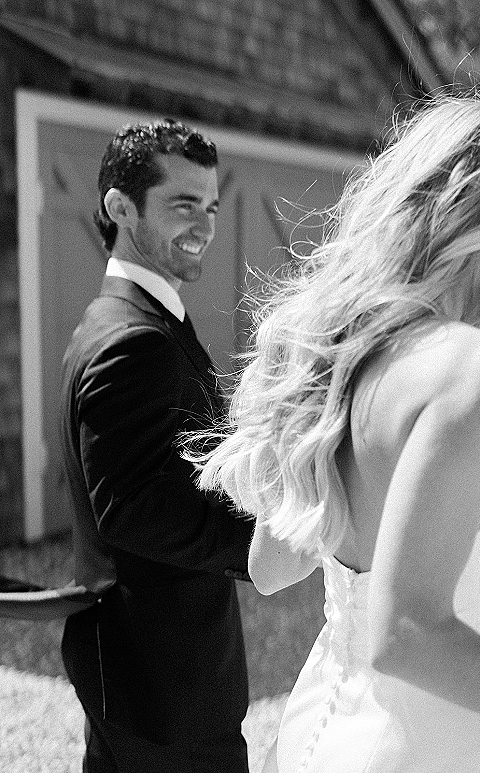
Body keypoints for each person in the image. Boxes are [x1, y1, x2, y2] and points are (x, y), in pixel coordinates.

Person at [189, 95, 480, 772]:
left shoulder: (334, 356)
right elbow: (407, 635)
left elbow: (270, 568)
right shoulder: (478, 367)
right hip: (428, 745)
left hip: (322, 724)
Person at [59, 119, 253, 773]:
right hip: (167, 690)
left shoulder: (122, 317)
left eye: (210, 207)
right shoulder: (132, 337)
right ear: (120, 207)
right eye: (182, 204)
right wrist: (267, 540)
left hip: (136, 679)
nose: (203, 224)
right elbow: (134, 508)